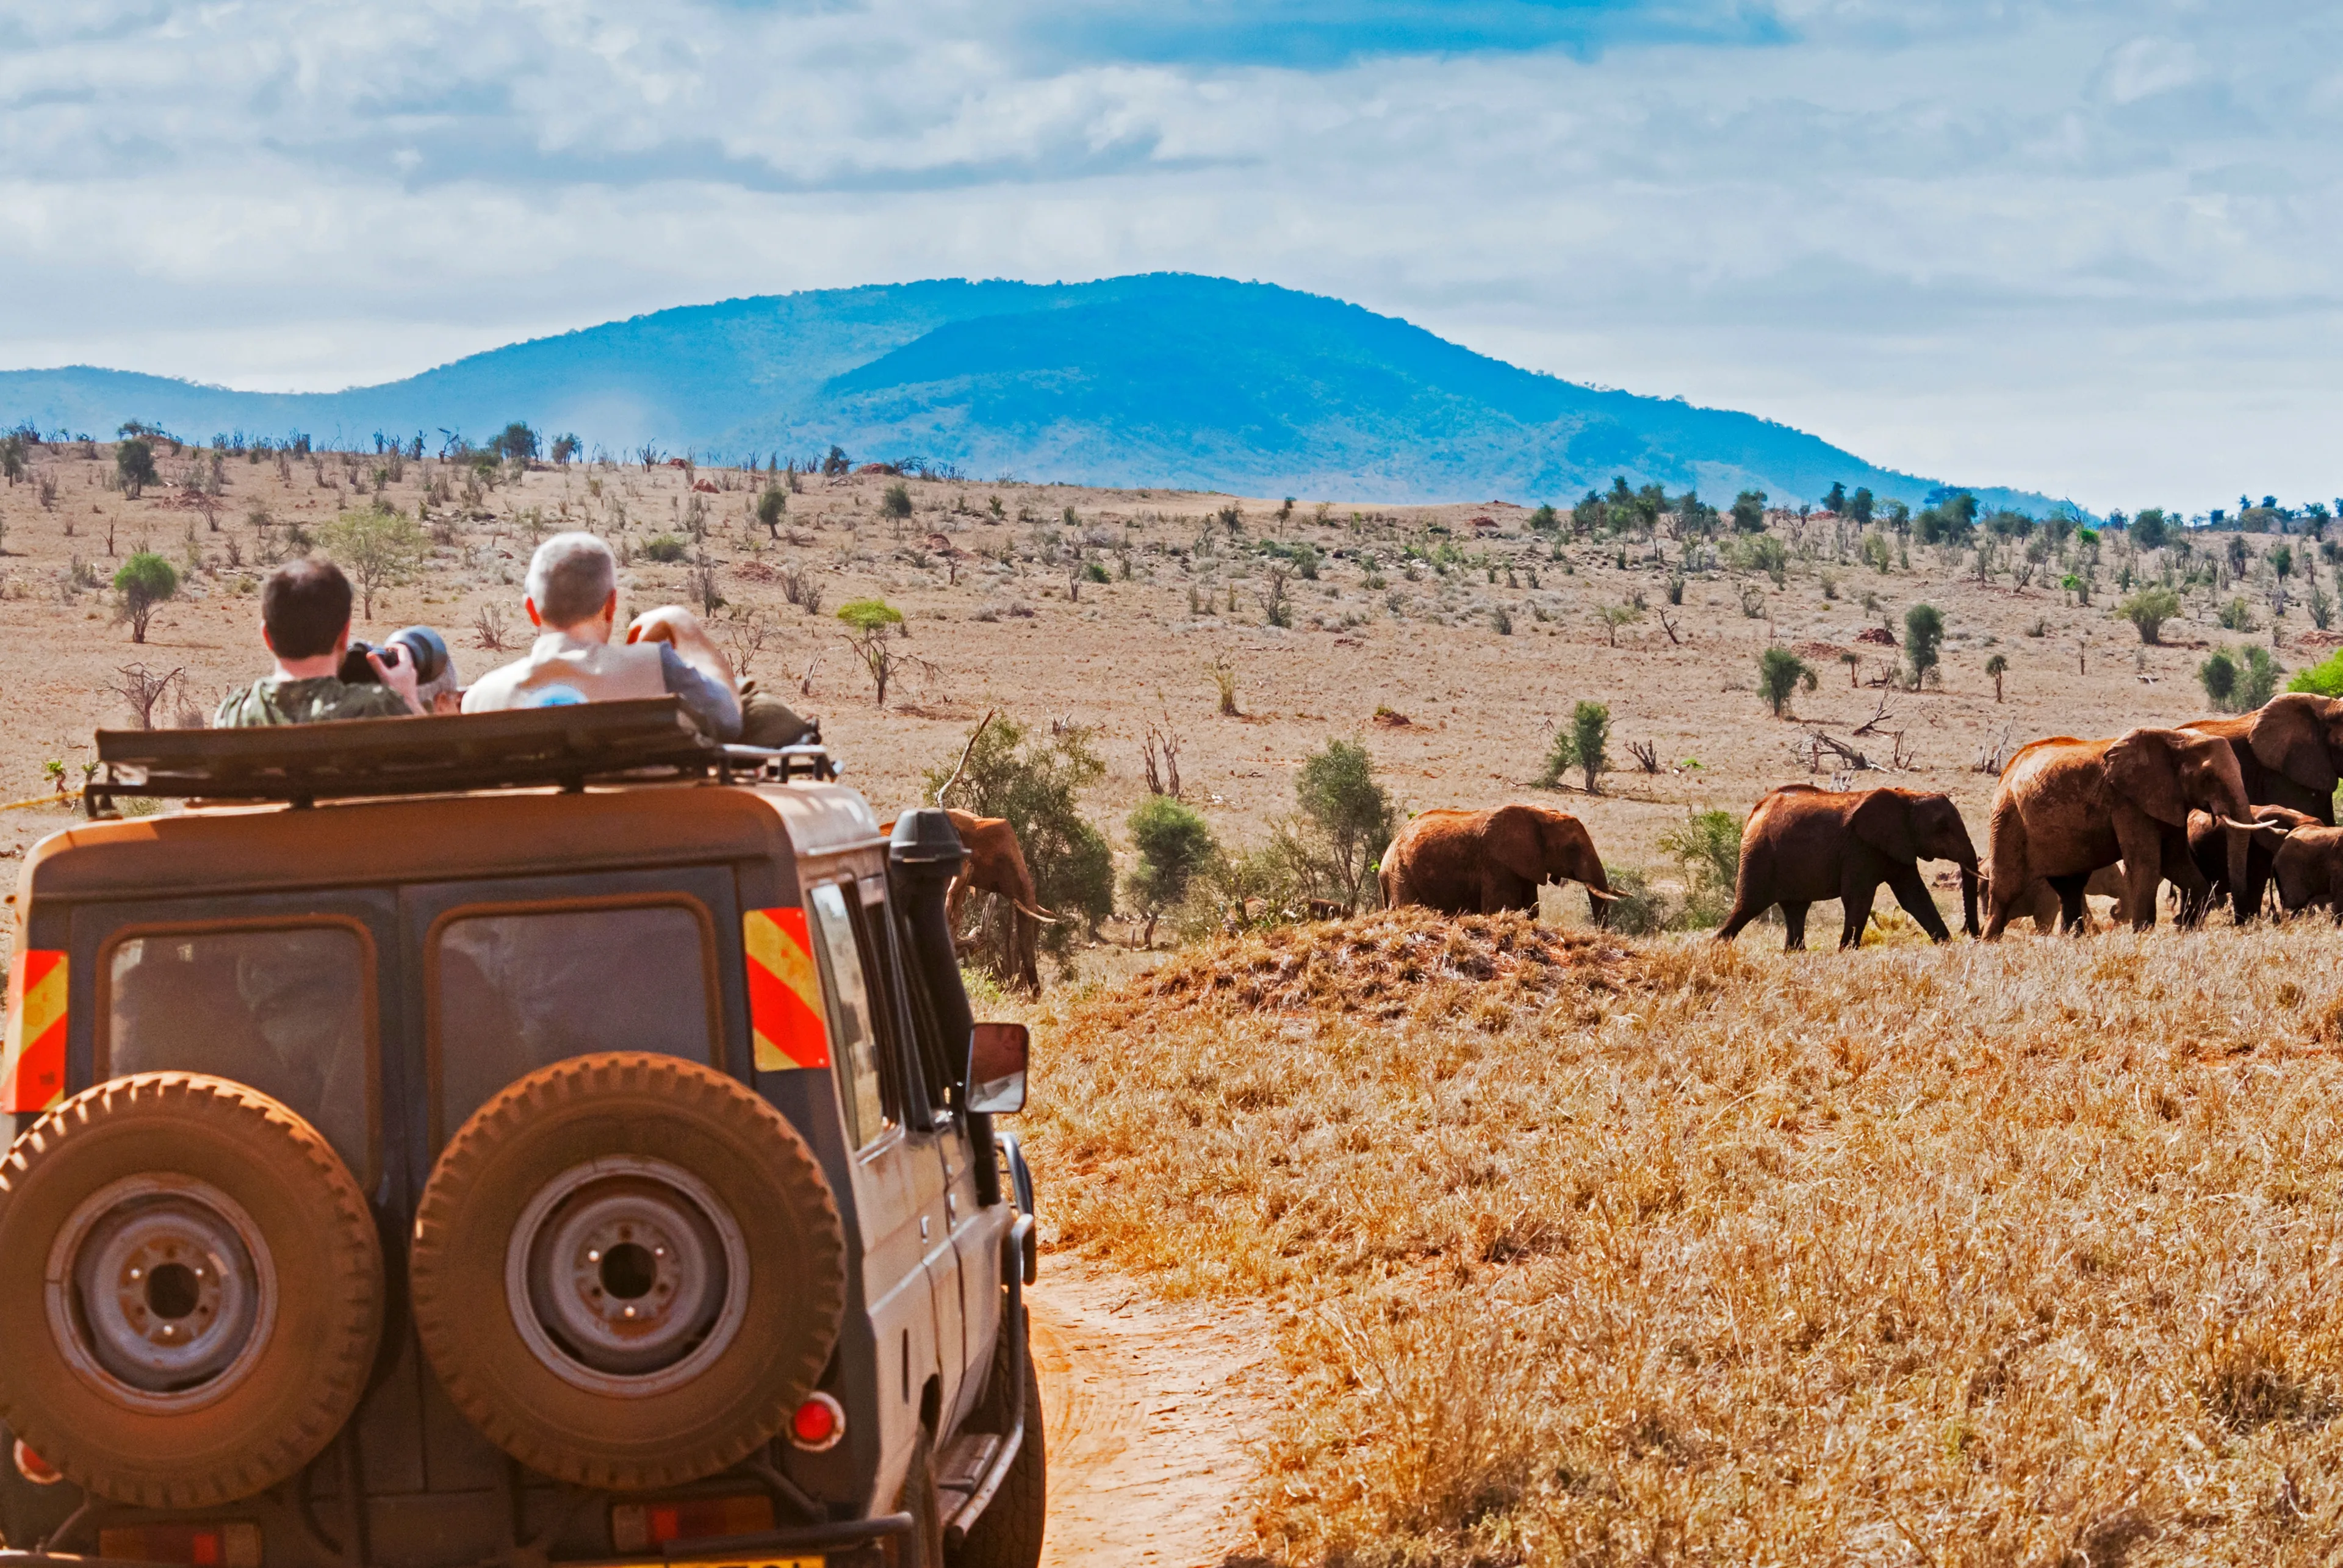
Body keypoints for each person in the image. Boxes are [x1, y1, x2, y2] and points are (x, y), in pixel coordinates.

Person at [463, 533, 743, 739]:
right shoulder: (656, 669)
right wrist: (682, 624)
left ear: (532, 611)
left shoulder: (480, 699)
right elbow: (730, 716)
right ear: (611, 605)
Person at [215, 560, 425, 726]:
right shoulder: (379, 708)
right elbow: (441, 767)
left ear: (266, 636)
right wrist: (407, 699)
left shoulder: (233, 713)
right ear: (344, 636)